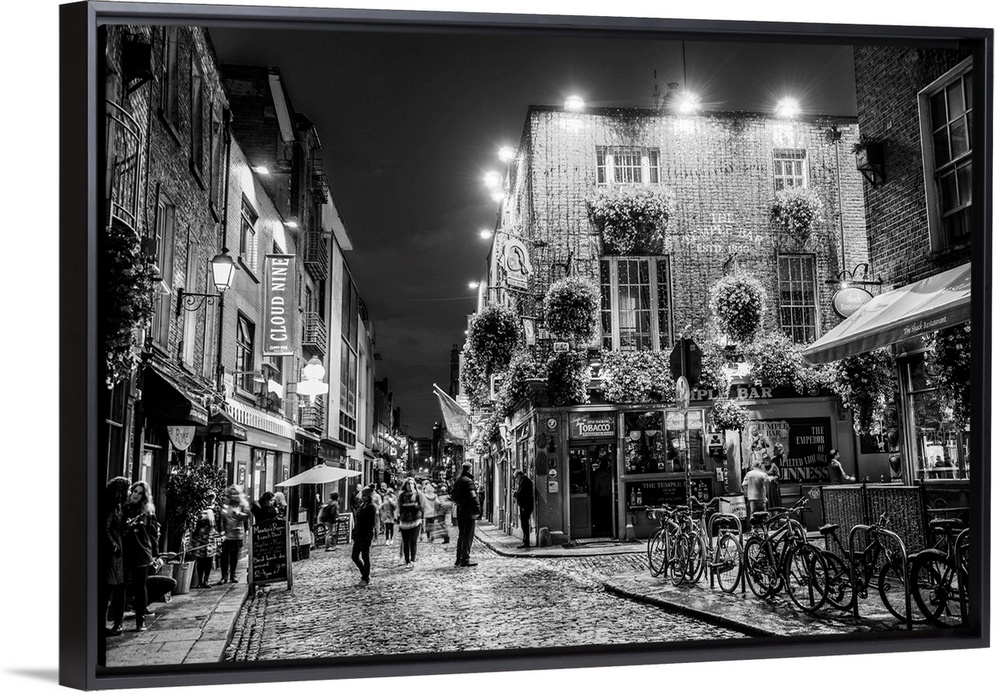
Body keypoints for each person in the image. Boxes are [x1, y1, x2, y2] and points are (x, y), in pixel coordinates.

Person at [115, 481, 160, 632]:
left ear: (144, 496)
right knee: (120, 588)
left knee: (140, 587)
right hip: (124, 553)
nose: (136, 495)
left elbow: (153, 535)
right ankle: (117, 623)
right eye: (135, 491)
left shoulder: (148, 512)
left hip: (141, 554)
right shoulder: (123, 508)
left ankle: (140, 621)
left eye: (140, 493)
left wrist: (156, 554)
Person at [100, 477, 130, 638]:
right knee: (106, 590)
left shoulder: (118, 506)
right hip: (111, 555)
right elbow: (103, 528)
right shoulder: (110, 506)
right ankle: (100, 624)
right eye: (128, 489)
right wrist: (113, 545)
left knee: (110, 589)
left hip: (117, 554)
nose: (130, 493)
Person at [219, 485, 250, 584]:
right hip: (226, 534)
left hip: (237, 533)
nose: (233, 495)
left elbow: (247, 516)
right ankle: (224, 576)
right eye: (232, 493)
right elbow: (221, 518)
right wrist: (221, 531)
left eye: (236, 493)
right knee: (224, 555)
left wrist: (239, 515)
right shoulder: (225, 504)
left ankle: (233, 574)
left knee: (234, 555)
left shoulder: (242, 505)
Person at [453, 462, 481, 567]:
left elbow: (454, 496)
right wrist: (477, 509)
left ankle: (458, 558)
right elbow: (473, 496)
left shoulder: (458, 481)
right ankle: (465, 559)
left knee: (461, 535)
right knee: (468, 535)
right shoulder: (468, 481)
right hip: (468, 512)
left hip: (460, 511)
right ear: (470, 469)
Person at [190, 491, 220, 589]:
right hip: (200, 536)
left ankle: (206, 580)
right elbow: (195, 523)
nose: (210, 500)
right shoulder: (199, 509)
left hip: (210, 536)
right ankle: (199, 581)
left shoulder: (216, 509)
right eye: (208, 498)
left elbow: (218, 523)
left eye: (212, 498)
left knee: (209, 559)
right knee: (200, 560)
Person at [351, 487, 378, 586]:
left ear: (369, 497)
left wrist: (369, 535)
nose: (363, 497)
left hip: (365, 535)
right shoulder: (362, 505)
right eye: (363, 495)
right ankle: (365, 574)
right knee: (354, 556)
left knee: (365, 557)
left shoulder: (371, 507)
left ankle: (365, 579)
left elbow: (371, 523)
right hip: (358, 534)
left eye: (365, 496)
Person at [395, 478, 423, 566]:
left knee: (413, 541)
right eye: (408, 484)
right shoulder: (402, 495)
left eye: (412, 484)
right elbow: (400, 506)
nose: (410, 485)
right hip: (404, 521)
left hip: (415, 521)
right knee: (405, 542)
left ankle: (412, 560)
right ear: (405, 485)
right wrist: (411, 506)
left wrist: (414, 507)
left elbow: (421, 506)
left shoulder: (418, 494)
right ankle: (407, 561)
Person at [592, 458, 613, 537]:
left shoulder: (599, 475)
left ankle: (602, 527)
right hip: (610, 495)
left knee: (602, 513)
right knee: (609, 513)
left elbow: (596, 487)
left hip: (602, 496)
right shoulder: (611, 474)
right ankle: (609, 527)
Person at [514, 470, 534, 548]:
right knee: (524, 524)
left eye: (516, 477)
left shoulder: (524, 481)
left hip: (525, 506)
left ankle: (526, 542)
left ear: (519, 475)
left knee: (525, 524)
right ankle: (525, 541)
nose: (516, 479)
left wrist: (516, 494)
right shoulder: (524, 480)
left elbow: (521, 493)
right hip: (526, 505)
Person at [763, 443, 783, 510]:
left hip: (772, 486)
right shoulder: (762, 467)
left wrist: (773, 478)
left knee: (774, 500)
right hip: (765, 487)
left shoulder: (773, 466)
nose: (765, 461)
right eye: (764, 460)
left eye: (766, 459)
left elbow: (778, 475)